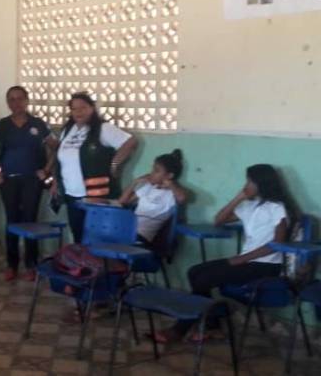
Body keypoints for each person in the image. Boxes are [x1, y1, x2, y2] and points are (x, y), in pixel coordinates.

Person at [156, 164, 293, 343]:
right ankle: (212, 326)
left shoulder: (277, 208)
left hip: (266, 265)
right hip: (247, 262)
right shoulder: (251, 206)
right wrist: (240, 196)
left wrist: (240, 259)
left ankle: (181, 329)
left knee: (204, 279)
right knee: (194, 272)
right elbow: (219, 220)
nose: (247, 185)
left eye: (250, 181)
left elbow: (277, 244)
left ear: (261, 183)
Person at [0, 86, 56, 282]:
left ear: (27, 100)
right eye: (11, 100)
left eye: (19, 99)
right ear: (8, 103)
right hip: (7, 180)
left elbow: (55, 148)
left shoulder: (38, 124)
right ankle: (11, 264)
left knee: (30, 221)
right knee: (12, 221)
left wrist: (47, 170)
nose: (16, 103)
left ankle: (31, 265)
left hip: (32, 181)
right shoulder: (3, 125)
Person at [51, 92, 138, 243]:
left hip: (96, 195)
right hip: (71, 194)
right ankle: (82, 265)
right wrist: (55, 182)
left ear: (92, 108)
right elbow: (59, 158)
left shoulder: (103, 129)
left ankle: (97, 266)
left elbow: (130, 142)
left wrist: (115, 164)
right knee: (78, 234)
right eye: (74, 109)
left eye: (83, 107)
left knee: (96, 236)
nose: (79, 112)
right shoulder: (67, 130)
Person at [115, 149, 187, 247]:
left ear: (169, 175)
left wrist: (170, 184)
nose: (152, 173)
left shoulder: (171, 194)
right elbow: (122, 202)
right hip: (125, 229)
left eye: (156, 171)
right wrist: (135, 182)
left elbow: (182, 198)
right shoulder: (148, 187)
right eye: (153, 169)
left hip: (141, 236)